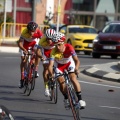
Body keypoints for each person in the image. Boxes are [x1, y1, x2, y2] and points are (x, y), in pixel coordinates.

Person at [48, 32, 86, 109]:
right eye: (56, 45)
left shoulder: (69, 47)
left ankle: (80, 99)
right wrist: (51, 74)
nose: (57, 47)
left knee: (73, 78)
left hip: (69, 63)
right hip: (59, 66)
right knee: (61, 84)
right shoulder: (53, 51)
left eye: (59, 44)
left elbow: (77, 60)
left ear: (63, 43)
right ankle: (66, 98)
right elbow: (50, 65)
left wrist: (76, 68)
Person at [18, 21, 43, 88]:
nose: (32, 33)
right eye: (30, 31)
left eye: (33, 31)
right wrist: (23, 49)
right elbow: (20, 43)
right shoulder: (24, 32)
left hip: (34, 43)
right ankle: (22, 78)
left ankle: (35, 70)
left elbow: (42, 41)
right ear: (28, 30)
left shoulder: (38, 32)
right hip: (25, 45)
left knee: (37, 53)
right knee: (23, 61)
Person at [36, 28, 56, 96]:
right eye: (48, 38)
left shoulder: (56, 40)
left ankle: (54, 76)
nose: (49, 40)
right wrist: (41, 57)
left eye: (51, 39)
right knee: (46, 70)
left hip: (54, 52)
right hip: (46, 53)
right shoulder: (42, 41)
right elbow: (38, 51)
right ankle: (46, 88)